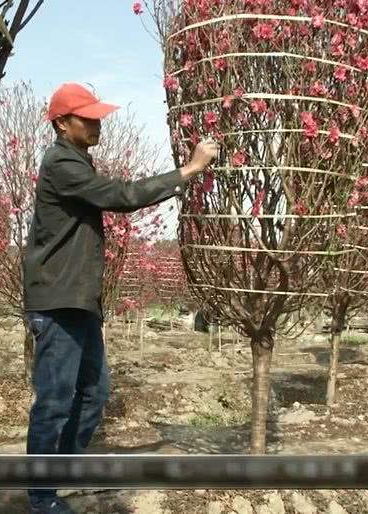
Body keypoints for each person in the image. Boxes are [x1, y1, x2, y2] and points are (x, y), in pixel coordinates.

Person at [22, 82, 220, 514]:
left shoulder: (77, 161)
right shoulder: (62, 164)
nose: (97, 125)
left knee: (94, 393)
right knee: (54, 402)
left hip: (77, 301)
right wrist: (189, 170)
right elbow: (122, 196)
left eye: (98, 117)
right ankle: (41, 496)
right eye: (87, 118)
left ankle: (61, 471)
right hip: (57, 302)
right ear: (62, 123)